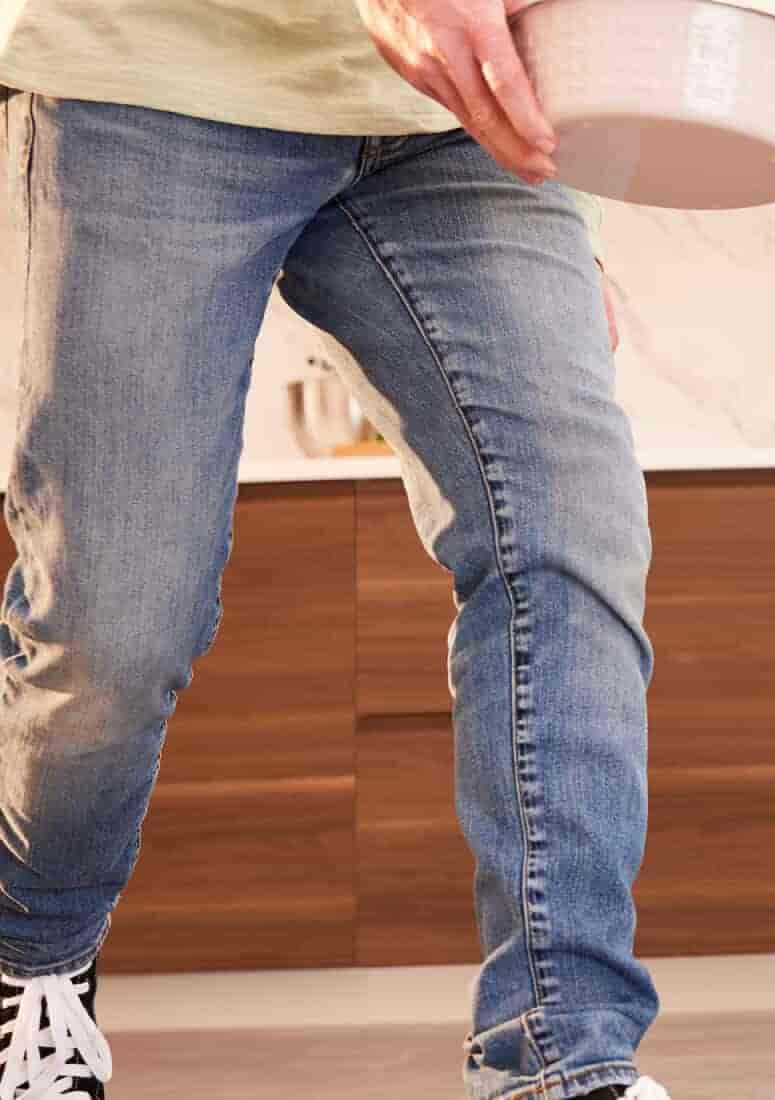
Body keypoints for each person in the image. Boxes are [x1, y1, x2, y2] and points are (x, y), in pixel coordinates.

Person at [0, 2, 668, 1098]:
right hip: (154, 74)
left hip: (448, 121)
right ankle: (33, 947)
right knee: (115, 614)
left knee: (569, 531)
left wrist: (572, 199)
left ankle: (565, 1050)